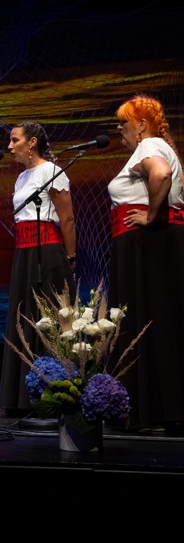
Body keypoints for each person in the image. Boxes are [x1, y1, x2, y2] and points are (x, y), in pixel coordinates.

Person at [107, 93, 184, 433]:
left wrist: (152, 216)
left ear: (140, 126)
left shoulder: (149, 148)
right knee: (160, 319)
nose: (119, 129)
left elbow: (162, 175)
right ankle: (160, 407)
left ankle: (147, 409)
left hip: (145, 244)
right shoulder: (157, 146)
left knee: (143, 319)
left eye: (123, 123)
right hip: (154, 242)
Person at [0, 121, 76, 416]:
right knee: (24, 316)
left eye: (14, 140)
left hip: (48, 252)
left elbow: (67, 219)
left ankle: (54, 394)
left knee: (49, 318)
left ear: (32, 143)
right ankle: (22, 396)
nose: (9, 146)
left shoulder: (52, 171)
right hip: (24, 253)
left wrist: (71, 258)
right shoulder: (22, 178)